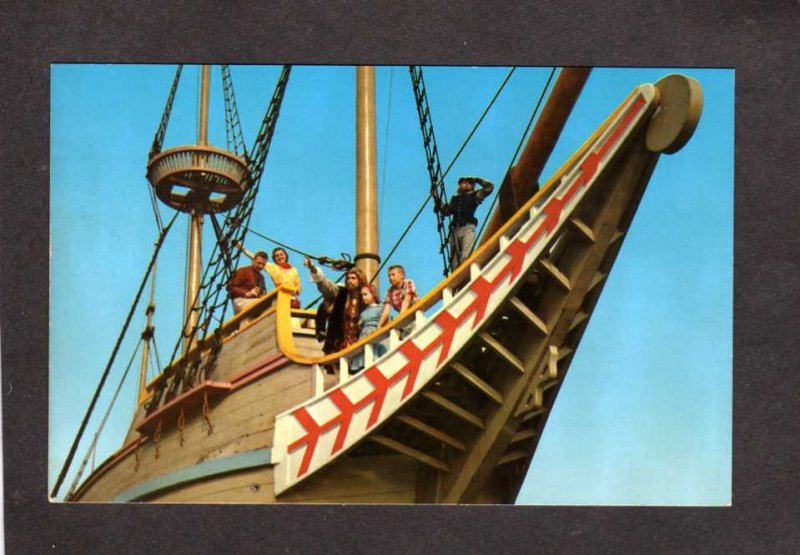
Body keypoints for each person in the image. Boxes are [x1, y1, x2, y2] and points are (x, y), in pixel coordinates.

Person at [304, 256, 368, 355]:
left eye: (353, 278)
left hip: (358, 342)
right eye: (348, 278)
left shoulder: (366, 298)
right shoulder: (340, 293)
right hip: (337, 342)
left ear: (360, 280)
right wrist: (313, 268)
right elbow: (326, 285)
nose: (349, 281)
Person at [434, 176, 494, 268]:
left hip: (467, 228)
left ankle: (466, 276)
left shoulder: (475, 196)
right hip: (454, 231)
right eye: (463, 182)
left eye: (468, 182)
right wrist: (437, 198)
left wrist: (477, 180)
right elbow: (446, 211)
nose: (465, 183)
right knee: (454, 262)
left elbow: (489, 187)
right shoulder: (455, 199)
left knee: (466, 258)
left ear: (472, 186)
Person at [235, 243, 302, 308]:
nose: (280, 257)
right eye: (277, 256)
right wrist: (241, 248)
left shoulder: (294, 269)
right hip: (281, 296)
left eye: (281, 254)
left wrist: (295, 291)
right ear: (274, 258)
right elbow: (255, 257)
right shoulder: (273, 267)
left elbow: (298, 286)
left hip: (293, 298)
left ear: (286, 255)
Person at [349, 284, 388, 374]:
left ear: (373, 294)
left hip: (375, 333)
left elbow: (386, 322)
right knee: (364, 356)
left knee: (376, 356)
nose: (363, 297)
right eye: (362, 295)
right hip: (364, 335)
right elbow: (360, 323)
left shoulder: (380, 308)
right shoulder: (363, 312)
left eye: (365, 294)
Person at [227, 251, 268, 323]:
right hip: (240, 300)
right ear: (253, 261)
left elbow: (264, 293)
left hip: (252, 302)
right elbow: (230, 287)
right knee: (264, 305)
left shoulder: (261, 278)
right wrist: (246, 293)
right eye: (259, 263)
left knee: (248, 320)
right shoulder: (243, 271)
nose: (261, 266)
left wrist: (262, 295)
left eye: (263, 264)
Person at [378, 265, 418, 337]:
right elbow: (386, 310)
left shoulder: (408, 283)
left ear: (401, 275)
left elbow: (407, 299)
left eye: (393, 275)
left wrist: (400, 317)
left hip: (415, 315)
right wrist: (379, 326)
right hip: (404, 319)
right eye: (389, 276)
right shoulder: (389, 291)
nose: (390, 278)